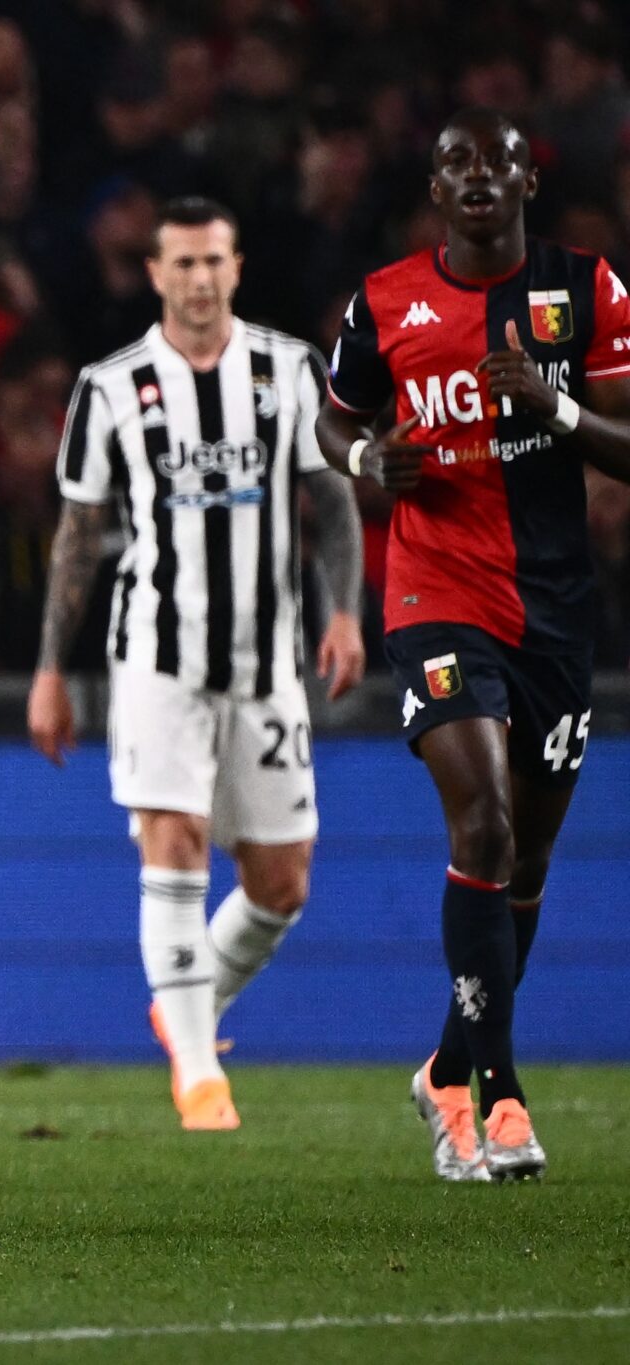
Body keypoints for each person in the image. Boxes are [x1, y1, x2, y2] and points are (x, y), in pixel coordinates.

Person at [316, 108, 630, 1183]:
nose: (479, 177)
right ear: (436, 189)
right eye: (457, 162)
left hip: (551, 610)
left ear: (523, 186)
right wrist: (368, 463)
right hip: (431, 590)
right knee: (483, 822)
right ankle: (495, 1100)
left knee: (523, 860)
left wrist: (554, 408)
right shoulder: (382, 300)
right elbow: (334, 423)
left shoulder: (585, 292)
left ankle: (448, 1067)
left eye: (498, 161)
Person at [27, 196, 367, 1131]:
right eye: (182, 263)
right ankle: (197, 1072)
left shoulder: (290, 370)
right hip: (155, 658)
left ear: (237, 266)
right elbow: (79, 533)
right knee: (170, 840)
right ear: (155, 274)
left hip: (268, 663)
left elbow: (331, 502)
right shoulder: (110, 386)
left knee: (282, 881)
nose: (200, 279)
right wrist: (51, 668)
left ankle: (186, 1002)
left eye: (214, 261)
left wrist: (345, 613)